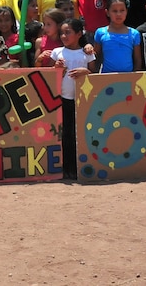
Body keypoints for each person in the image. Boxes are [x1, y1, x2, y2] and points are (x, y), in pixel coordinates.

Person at [51, 18, 96, 179]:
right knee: (65, 135)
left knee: (79, 133)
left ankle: (78, 168)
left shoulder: (86, 53)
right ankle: (66, 168)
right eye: (61, 33)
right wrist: (57, 69)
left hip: (81, 100)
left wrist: (85, 72)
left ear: (79, 34)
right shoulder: (57, 52)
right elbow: (50, 77)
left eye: (68, 32)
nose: (64, 36)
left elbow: (95, 75)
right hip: (63, 99)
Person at [93, 0, 141, 73]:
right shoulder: (101, 32)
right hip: (107, 78)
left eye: (122, 10)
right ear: (107, 13)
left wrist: (135, 78)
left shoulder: (134, 33)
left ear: (126, 12)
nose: (118, 14)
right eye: (114, 11)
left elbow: (138, 60)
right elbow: (96, 57)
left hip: (128, 78)